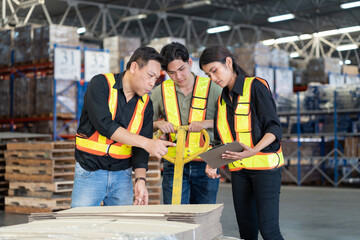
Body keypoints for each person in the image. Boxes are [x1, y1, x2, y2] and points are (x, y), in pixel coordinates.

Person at [72, 46, 175, 207]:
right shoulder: (101, 84)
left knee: (120, 229)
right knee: (80, 226)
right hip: (90, 173)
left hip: (122, 177)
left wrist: (140, 180)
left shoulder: (146, 104)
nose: (152, 84)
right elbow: (104, 125)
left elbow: (140, 149)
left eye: (156, 79)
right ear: (134, 67)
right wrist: (147, 143)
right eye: (150, 76)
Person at [199, 46, 285, 240]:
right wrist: (212, 162)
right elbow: (222, 138)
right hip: (239, 172)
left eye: (214, 71)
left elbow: (274, 129)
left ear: (228, 62)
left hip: (265, 170)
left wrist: (253, 151)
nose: (212, 78)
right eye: (207, 74)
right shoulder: (222, 100)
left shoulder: (255, 86)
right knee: (247, 232)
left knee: (269, 231)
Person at [151, 42, 222, 204]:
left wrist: (206, 123)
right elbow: (144, 123)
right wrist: (158, 124)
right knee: (175, 217)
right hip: (173, 164)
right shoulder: (160, 91)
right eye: (172, 73)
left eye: (181, 69)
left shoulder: (212, 88)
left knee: (204, 217)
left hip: (207, 163)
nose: (178, 77)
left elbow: (230, 122)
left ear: (190, 63)